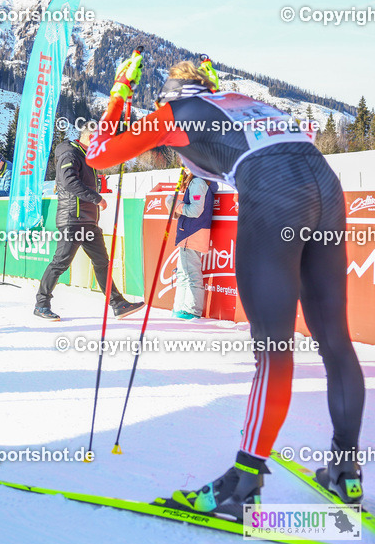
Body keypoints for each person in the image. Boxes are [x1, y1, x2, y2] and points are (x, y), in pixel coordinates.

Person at [86, 53, 365, 513]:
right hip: (325, 185)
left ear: (170, 94)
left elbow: (98, 153)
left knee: (273, 347)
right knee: (334, 339)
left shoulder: (172, 112)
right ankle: (345, 472)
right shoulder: (241, 102)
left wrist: (118, 93)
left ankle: (242, 487)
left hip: (275, 191)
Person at [33, 127, 143, 322]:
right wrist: (97, 198)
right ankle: (42, 304)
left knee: (102, 262)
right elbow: (69, 182)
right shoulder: (70, 153)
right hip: (73, 220)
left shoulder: (86, 156)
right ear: (91, 138)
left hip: (88, 221)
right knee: (61, 262)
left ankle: (118, 304)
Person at [165, 172, 217, 320]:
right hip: (189, 232)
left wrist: (177, 205)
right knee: (183, 272)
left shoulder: (198, 182)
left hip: (192, 232)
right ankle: (180, 307)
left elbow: (195, 210)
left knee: (190, 273)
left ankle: (192, 310)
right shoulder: (197, 182)